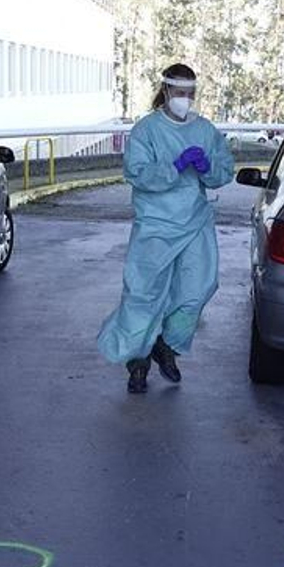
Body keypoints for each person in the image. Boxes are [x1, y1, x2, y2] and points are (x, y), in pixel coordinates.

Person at [97, 64, 235, 394]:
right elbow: (137, 173)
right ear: (166, 91)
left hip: (195, 221)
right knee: (144, 294)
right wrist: (173, 167)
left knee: (197, 289)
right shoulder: (146, 130)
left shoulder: (205, 130)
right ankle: (137, 363)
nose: (185, 99)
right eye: (180, 93)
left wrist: (208, 168)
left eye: (190, 94)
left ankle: (166, 345)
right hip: (155, 224)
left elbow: (224, 170)